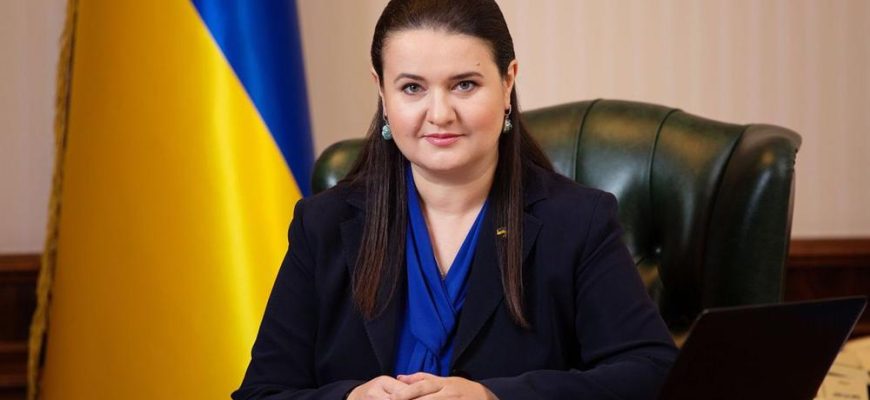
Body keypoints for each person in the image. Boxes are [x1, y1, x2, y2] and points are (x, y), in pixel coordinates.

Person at [233, 0, 677, 399]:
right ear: (382, 91)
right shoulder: (322, 225)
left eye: (464, 84)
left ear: (508, 81)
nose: (440, 114)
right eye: (412, 88)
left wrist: (492, 397)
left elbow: (653, 374)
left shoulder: (578, 221)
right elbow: (261, 393)